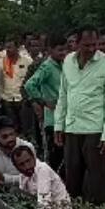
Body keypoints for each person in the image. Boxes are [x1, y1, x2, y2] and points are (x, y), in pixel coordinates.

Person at [54, 25, 105, 206]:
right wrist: (59, 125)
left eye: (94, 45)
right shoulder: (68, 61)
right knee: (72, 176)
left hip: (95, 129)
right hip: (71, 128)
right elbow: (63, 95)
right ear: (77, 43)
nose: (91, 49)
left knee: (98, 179)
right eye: (87, 45)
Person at [24, 35, 67, 172]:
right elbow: (30, 85)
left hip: (65, 118)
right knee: (56, 158)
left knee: (66, 158)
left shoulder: (62, 65)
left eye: (64, 50)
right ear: (50, 50)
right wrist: (43, 101)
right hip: (53, 120)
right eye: (59, 50)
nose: (63, 53)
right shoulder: (47, 67)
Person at [12, 144, 74, 209]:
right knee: (16, 194)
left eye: (28, 161)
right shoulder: (23, 176)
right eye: (21, 164)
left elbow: (44, 201)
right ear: (16, 167)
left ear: (34, 158)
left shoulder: (42, 169)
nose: (27, 166)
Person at [0, 116, 35, 186]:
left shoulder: (27, 147)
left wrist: (4, 178)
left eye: (12, 134)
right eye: (5, 136)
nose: (10, 139)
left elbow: (32, 177)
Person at [0, 37, 32, 130]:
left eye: (10, 47)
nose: (8, 50)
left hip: (22, 99)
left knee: (25, 127)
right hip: (7, 99)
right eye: (6, 47)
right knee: (11, 127)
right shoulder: (1, 62)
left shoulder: (27, 61)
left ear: (17, 48)